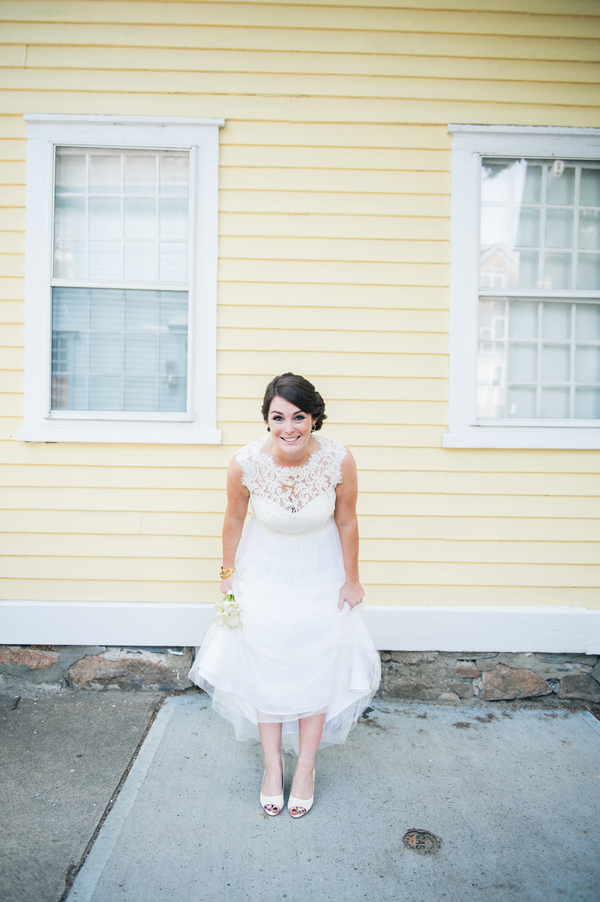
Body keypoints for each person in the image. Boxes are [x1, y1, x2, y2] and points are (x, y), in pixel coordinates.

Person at [188, 373, 381, 818]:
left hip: (321, 569)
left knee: (316, 661)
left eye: (298, 417)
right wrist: (227, 574)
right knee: (265, 662)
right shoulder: (245, 463)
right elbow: (234, 519)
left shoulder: (339, 459)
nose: (288, 427)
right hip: (264, 569)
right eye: (278, 417)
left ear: (314, 419)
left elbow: (347, 521)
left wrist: (352, 580)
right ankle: (272, 767)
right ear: (267, 420)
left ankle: (307, 767)